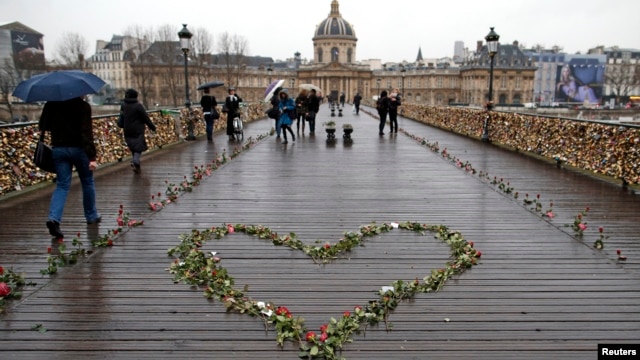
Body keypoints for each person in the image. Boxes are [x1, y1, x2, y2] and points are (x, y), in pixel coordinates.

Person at [39, 97, 101, 239]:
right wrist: (92, 157)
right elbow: (87, 133)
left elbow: (43, 125)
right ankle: (91, 216)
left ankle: (54, 218)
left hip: (59, 149)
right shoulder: (83, 106)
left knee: (62, 185)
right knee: (87, 182)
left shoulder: (51, 103)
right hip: (79, 150)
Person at [120, 88, 156, 174]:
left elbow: (121, 117)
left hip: (127, 129)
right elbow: (145, 118)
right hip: (138, 129)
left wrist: (121, 125)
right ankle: (135, 161)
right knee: (138, 147)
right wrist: (152, 127)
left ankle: (137, 167)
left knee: (133, 147)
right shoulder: (138, 106)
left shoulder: (123, 105)